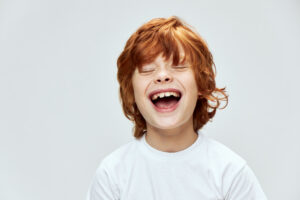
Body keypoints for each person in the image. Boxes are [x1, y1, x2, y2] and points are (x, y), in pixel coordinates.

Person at [86, 16, 268, 200]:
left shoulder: (230, 173)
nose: (163, 76)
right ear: (131, 91)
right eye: (148, 69)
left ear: (201, 84)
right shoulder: (113, 176)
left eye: (179, 66)